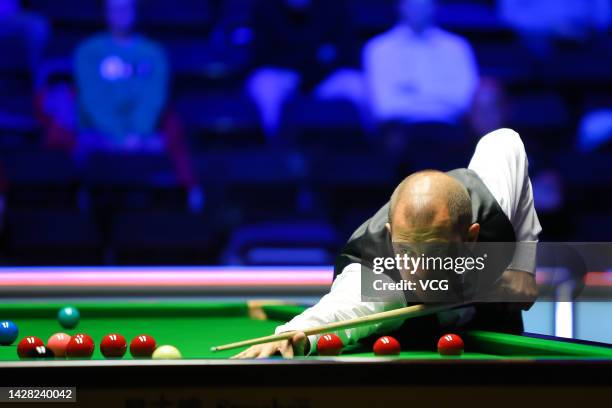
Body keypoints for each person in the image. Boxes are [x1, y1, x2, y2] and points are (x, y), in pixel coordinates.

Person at [234, 128, 541, 358]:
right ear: (392, 234)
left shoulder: (490, 205)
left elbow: (504, 141)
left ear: (470, 238)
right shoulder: (375, 275)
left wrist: (523, 265)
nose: (417, 270)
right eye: (405, 251)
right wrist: (290, 335)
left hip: (499, 346)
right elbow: (336, 313)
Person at [246, 0, 365, 139]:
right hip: (282, 79)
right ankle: (273, 143)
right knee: (264, 83)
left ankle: (373, 147)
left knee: (357, 83)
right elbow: (261, 57)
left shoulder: (335, 6)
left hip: (325, 80)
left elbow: (347, 55)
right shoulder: (265, 8)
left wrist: (305, 66)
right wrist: (315, 57)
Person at [74, 0, 168, 152]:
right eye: (115, 9)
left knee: (157, 146)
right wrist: (119, 137)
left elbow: (153, 98)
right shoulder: (88, 51)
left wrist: (137, 133)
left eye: (126, 8)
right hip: (97, 132)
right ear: (105, 11)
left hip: (142, 135)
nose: (121, 14)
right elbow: (92, 99)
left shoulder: (154, 53)